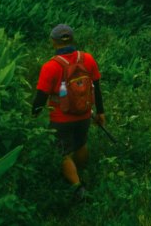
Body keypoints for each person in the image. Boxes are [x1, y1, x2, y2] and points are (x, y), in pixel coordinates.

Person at [32, 24, 106, 200]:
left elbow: (41, 97)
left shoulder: (51, 66)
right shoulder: (87, 59)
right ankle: (80, 173)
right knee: (80, 145)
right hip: (84, 115)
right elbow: (97, 87)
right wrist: (101, 112)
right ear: (72, 39)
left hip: (61, 118)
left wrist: (33, 115)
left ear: (53, 42)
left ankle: (77, 187)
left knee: (62, 153)